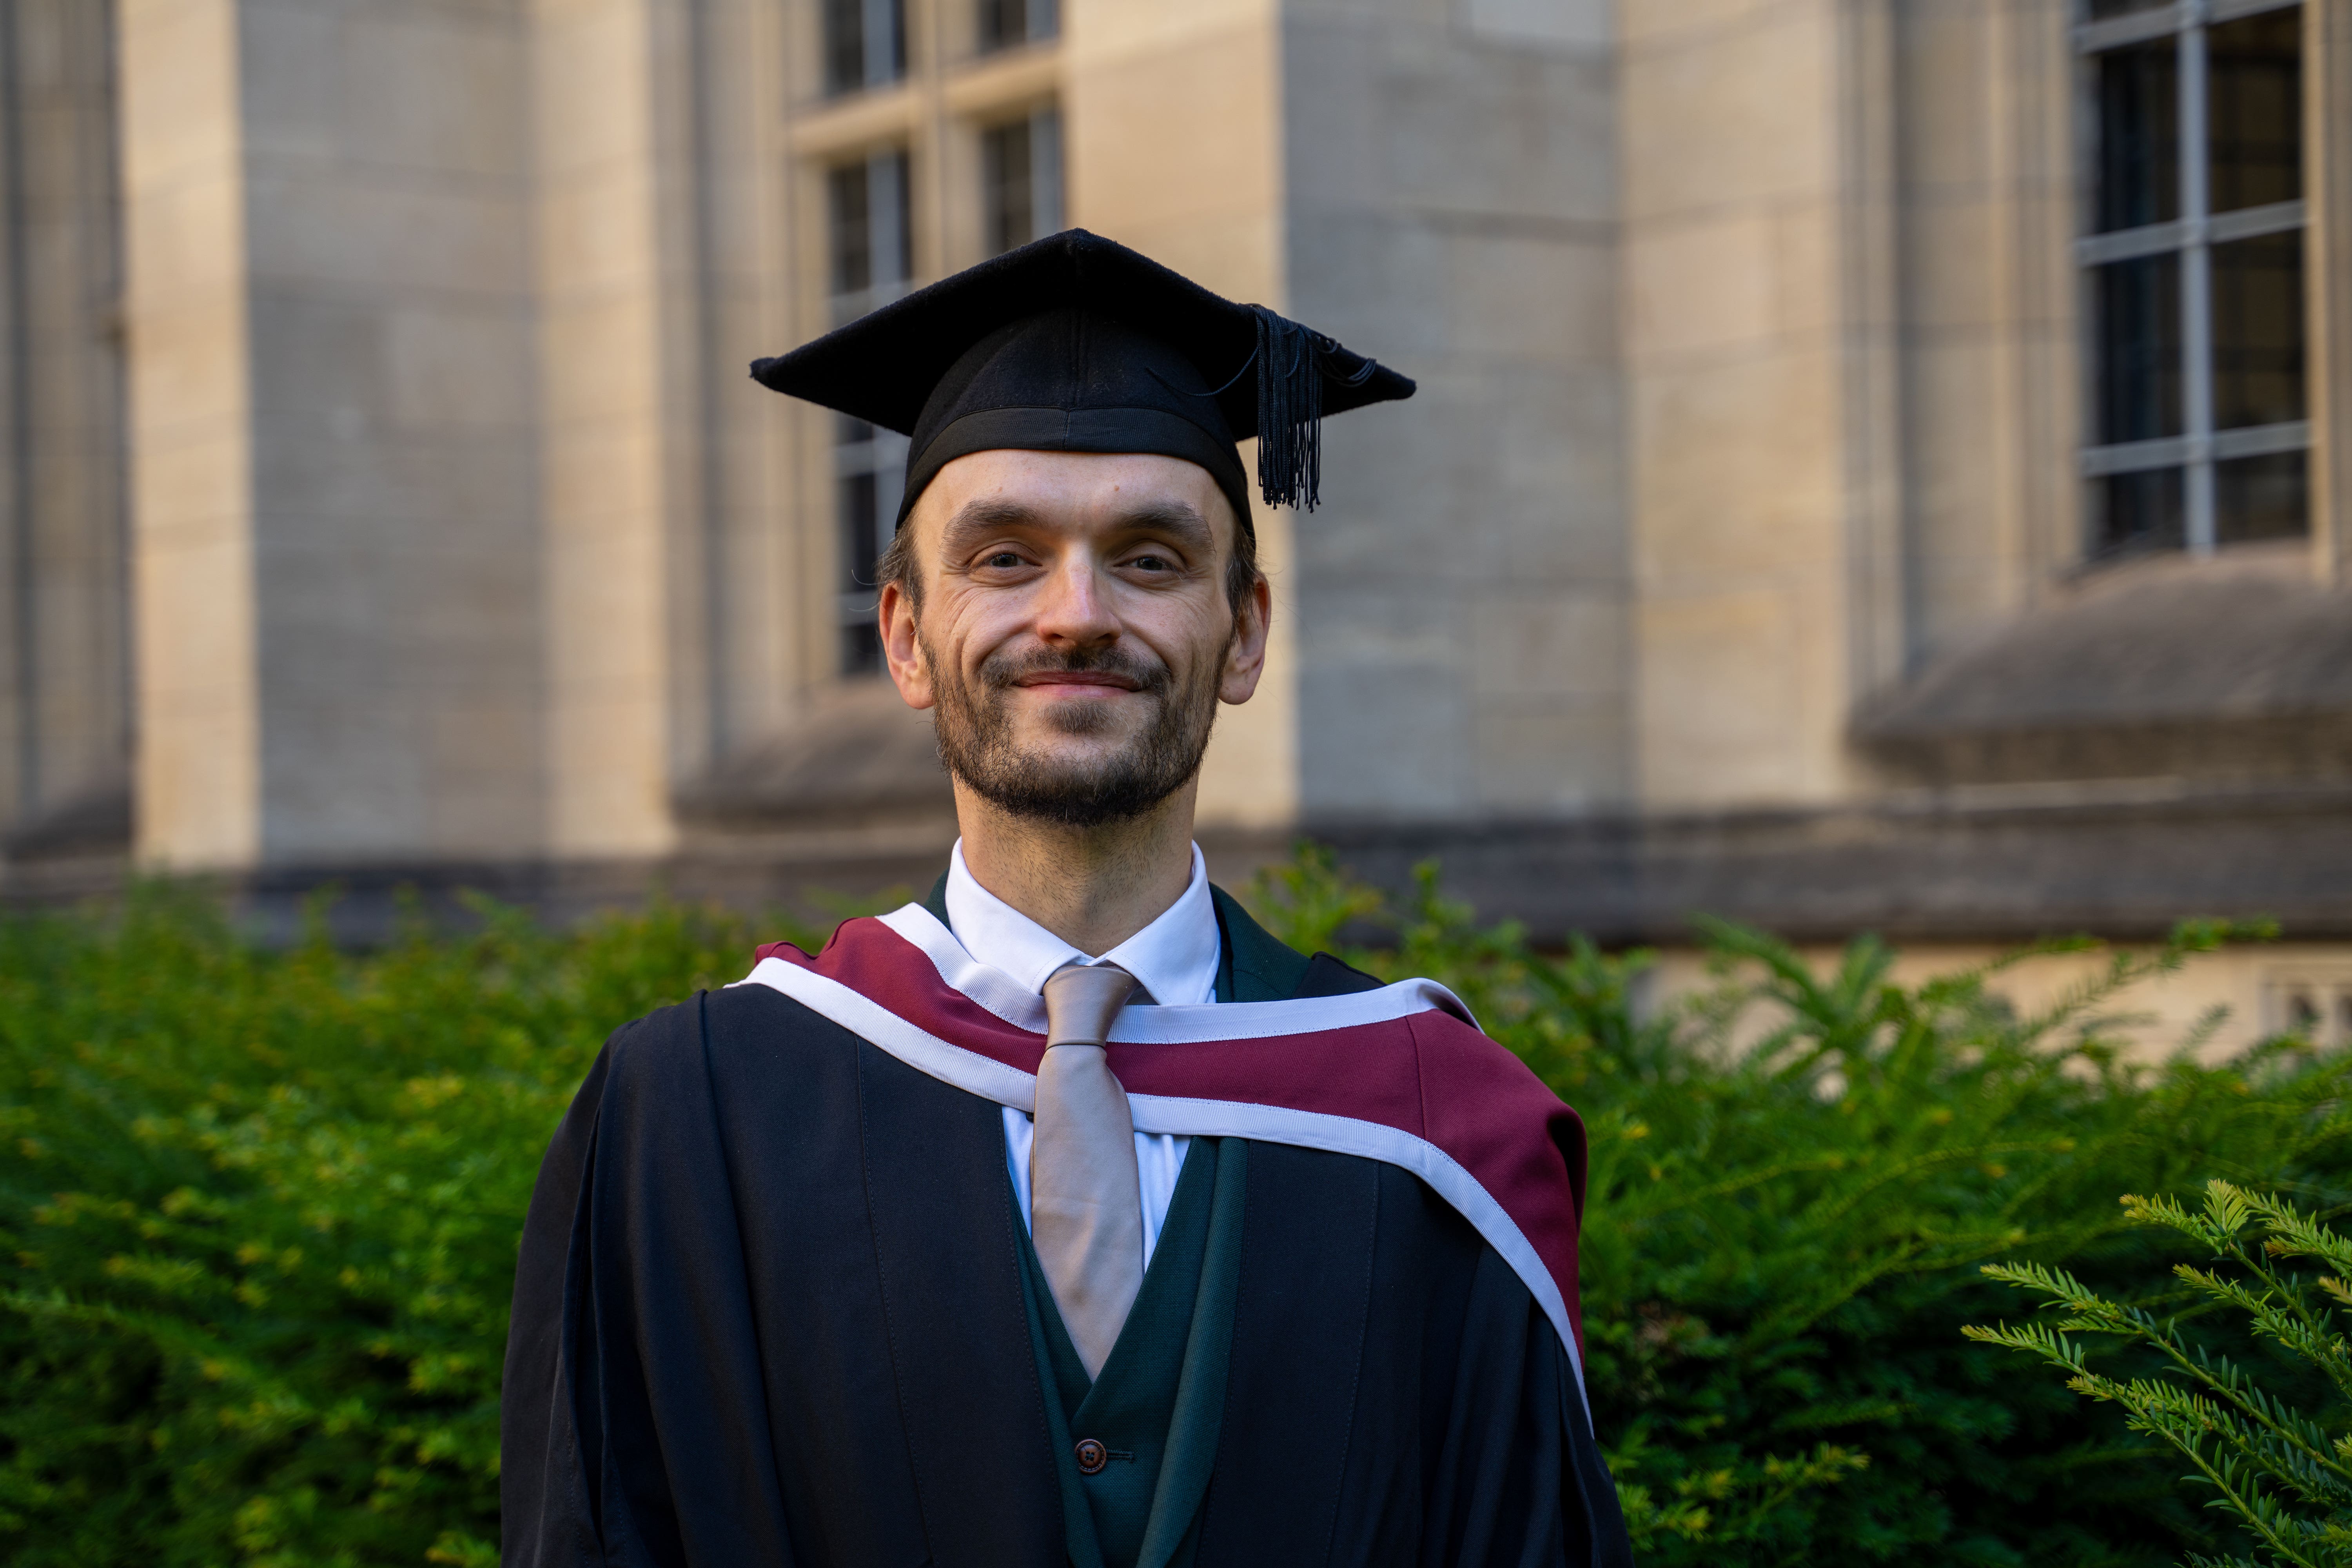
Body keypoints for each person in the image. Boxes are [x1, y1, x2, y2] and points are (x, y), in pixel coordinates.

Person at [501, 230, 1633, 1568]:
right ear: (909, 638)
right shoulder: (688, 1117)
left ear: (1247, 633)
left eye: (1150, 557)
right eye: (1004, 558)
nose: (1077, 614)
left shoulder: (1438, 1123)